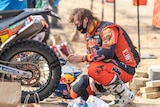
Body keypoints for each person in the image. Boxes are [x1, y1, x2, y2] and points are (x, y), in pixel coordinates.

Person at [67, 8, 140, 106]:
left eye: (77, 24)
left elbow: (107, 52)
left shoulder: (108, 29)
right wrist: (91, 78)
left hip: (126, 68)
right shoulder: (88, 36)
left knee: (95, 69)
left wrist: (83, 58)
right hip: (105, 68)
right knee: (76, 93)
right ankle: (100, 91)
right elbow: (92, 58)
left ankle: (124, 95)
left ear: (85, 19)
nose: (77, 28)